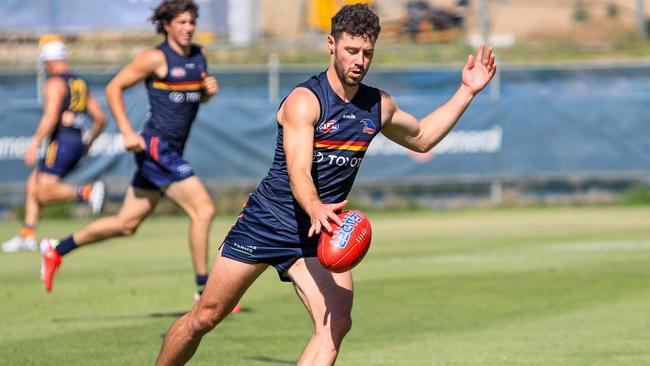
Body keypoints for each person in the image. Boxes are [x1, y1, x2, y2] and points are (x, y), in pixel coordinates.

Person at [155, 3, 497, 365]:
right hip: (268, 221)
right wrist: (315, 206)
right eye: (351, 50)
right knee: (206, 316)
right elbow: (298, 171)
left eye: (368, 53)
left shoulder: (378, 105)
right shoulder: (305, 101)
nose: (359, 61)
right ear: (331, 44)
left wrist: (467, 92)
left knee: (335, 324)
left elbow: (424, 137)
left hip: (320, 232)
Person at [39, 0, 220, 303]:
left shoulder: (200, 56)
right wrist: (125, 131)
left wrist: (206, 94)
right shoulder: (155, 58)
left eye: (191, 22)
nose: (188, 28)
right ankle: (205, 293)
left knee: (126, 224)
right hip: (155, 147)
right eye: (181, 23)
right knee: (204, 209)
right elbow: (113, 88)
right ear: (166, 26)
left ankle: (56, 249)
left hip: (172, 149)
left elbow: (193, 99)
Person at [1, 40, 106, 253]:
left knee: (42, 191)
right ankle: (27, 235)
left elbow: (50, 118)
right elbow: (100, 118)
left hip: (62, 140)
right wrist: (88, 143)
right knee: (33, 184)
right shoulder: (79, 83)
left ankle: (87, 192)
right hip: (76, 138)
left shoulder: (55, 83)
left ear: (49, 61)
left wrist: (34, 144)